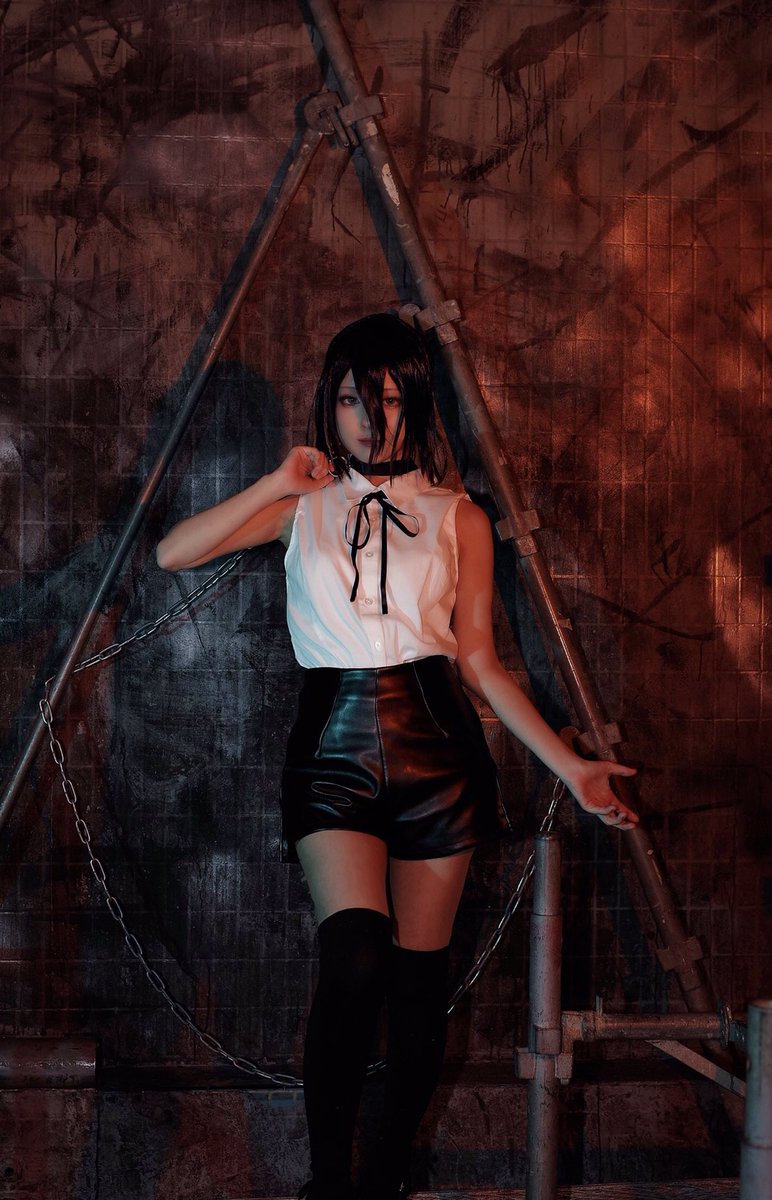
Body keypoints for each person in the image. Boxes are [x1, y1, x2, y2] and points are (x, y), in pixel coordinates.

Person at [156, 312, 638, 1200]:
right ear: (328, 406)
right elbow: (171, 552)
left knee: (419, 984)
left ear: (415, 401)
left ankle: (381, 1179)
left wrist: (571, 770)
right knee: (355, 955)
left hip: (437, 754)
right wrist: (274, 480)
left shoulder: (460, 517)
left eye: (384, 399)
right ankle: (328, 1183)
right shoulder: (300, 509)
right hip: (330, 753)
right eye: (350, 400)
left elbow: (481, 662)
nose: (368, 419)